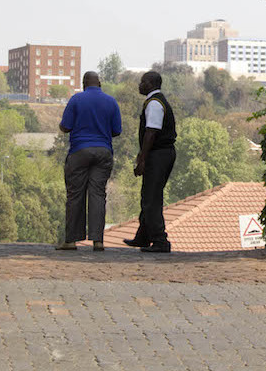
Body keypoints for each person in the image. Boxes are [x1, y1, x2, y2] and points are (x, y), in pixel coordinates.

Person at [56, 71, 122, 251]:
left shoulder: (76, 100)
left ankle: (71, 241)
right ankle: (98, 241)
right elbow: (117, 130)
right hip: (103, 152)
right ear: (99, 83)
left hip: (79, 151)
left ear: (83, 83)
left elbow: (65, 126)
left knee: (75, 195)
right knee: (98, 195)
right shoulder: (111, 101)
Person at [124, 70, 177, 253]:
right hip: (162, 153)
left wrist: (142, 159)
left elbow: (151, 133)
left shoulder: (154, 103)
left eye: (142, 82)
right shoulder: (156, 101)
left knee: (151, 198)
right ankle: (143, 237)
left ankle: (160, 240)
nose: (139, 85)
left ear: (150, 84)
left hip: (158, 154)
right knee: (149, 195)